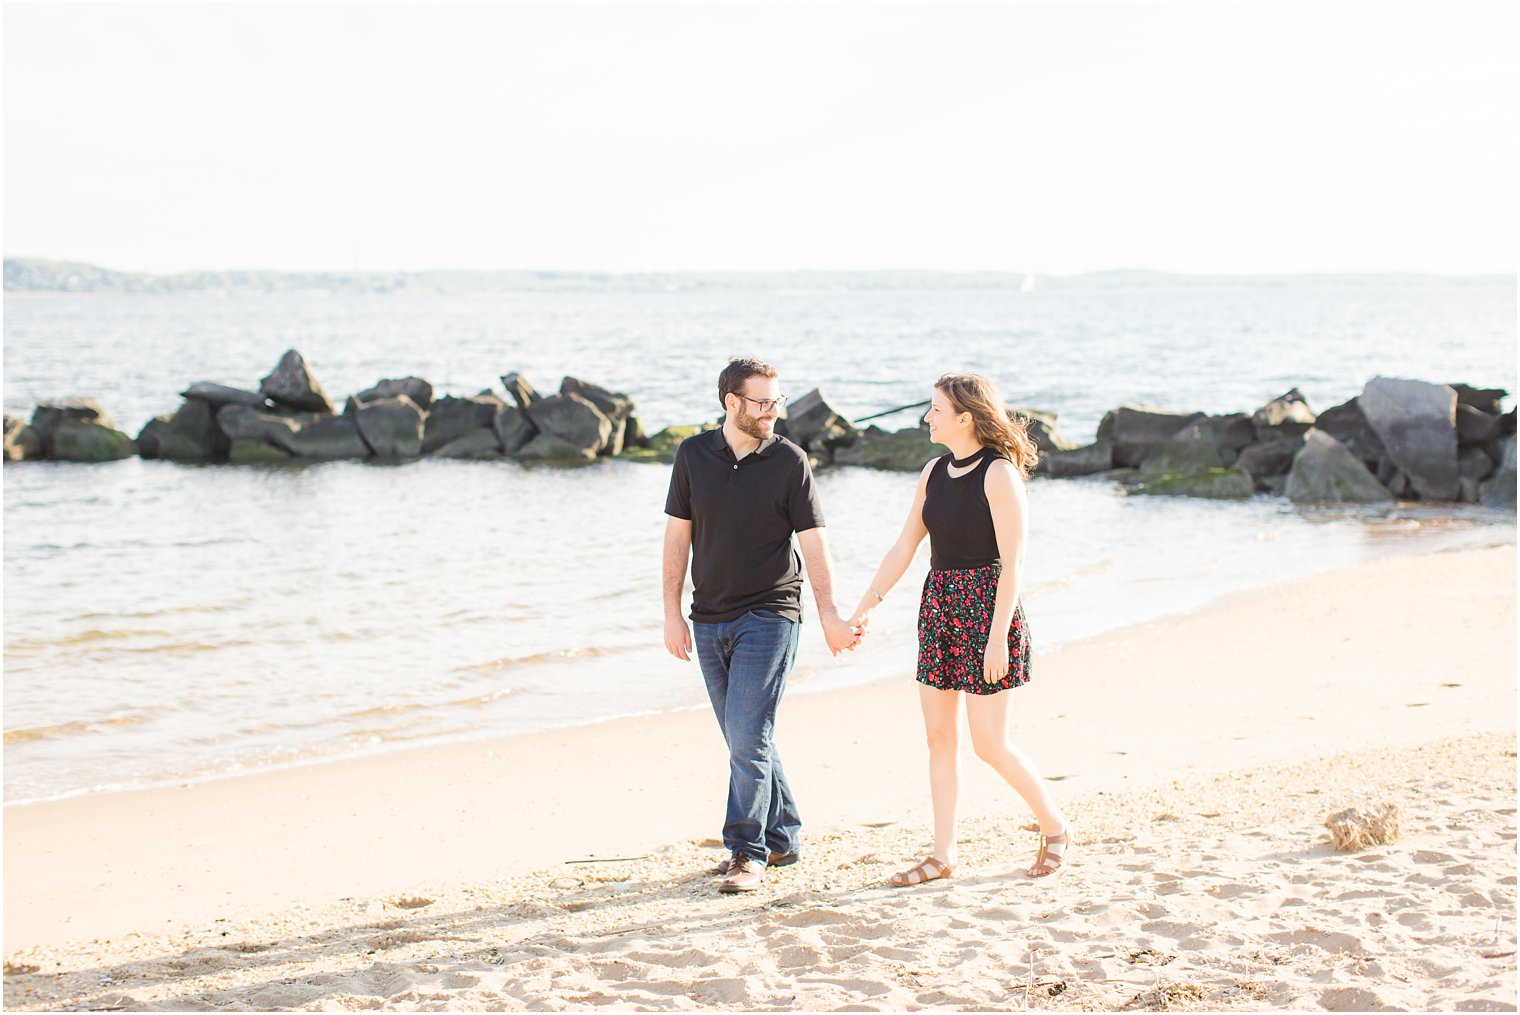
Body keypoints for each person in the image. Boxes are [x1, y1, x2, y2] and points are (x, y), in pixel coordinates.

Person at [848, 373, 1069, 885]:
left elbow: (1013, 564)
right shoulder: (931, 472)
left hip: (990, 611)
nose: (928, 417)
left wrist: (997, 638)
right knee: (939, 737)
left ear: (965, 417)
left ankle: (1055, 827)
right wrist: (866, 606)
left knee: (990, 744)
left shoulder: (998, 474)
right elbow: (905, 546)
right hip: (941, 609)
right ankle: (943, 853)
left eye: (936, 410)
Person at [663, 357, 861, 894]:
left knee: (749, 736)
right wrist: (670, 612)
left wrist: (829, 615)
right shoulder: (692, 455)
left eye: (778, 400)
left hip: (772, 614)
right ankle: (784, 834)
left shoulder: (789, 461)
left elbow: (814, 542)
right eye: (764, 401)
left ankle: (745, 851)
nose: (775, 410)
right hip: (708, 618)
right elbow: (678, 536)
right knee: (746, 738)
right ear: (732, 402)